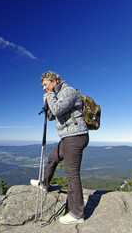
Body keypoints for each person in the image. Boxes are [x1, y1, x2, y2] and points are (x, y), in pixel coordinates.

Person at [30, 70, 89, 224]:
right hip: (67, 137)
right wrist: (46, 103)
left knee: (72, 174)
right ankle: (44, 183)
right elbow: (51, 116)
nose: (43, 88)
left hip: (75, 136)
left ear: (54, 81)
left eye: (45, 84)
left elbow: (58, 109)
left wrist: (49, 97)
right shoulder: (55, 95)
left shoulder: (68, 91)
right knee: (53, 157)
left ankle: (77, 214)